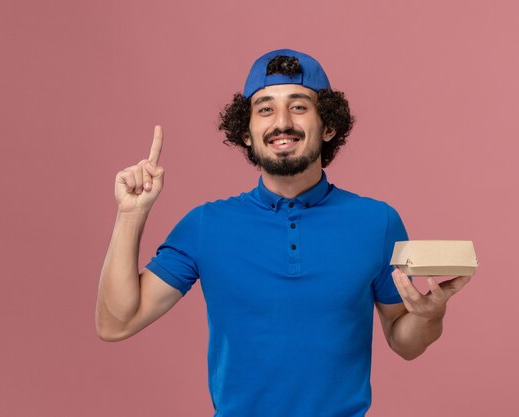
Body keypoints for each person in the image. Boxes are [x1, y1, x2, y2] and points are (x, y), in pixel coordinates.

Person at [96, 49, 472, 417]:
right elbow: (116, 323)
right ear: (247, 133)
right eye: (265, 109)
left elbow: (404, 342)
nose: (282, 122)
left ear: (328, 126)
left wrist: (428, 317)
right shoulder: (206, 226)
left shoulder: (378, 221)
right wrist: (130, 216)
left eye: (298, 106)